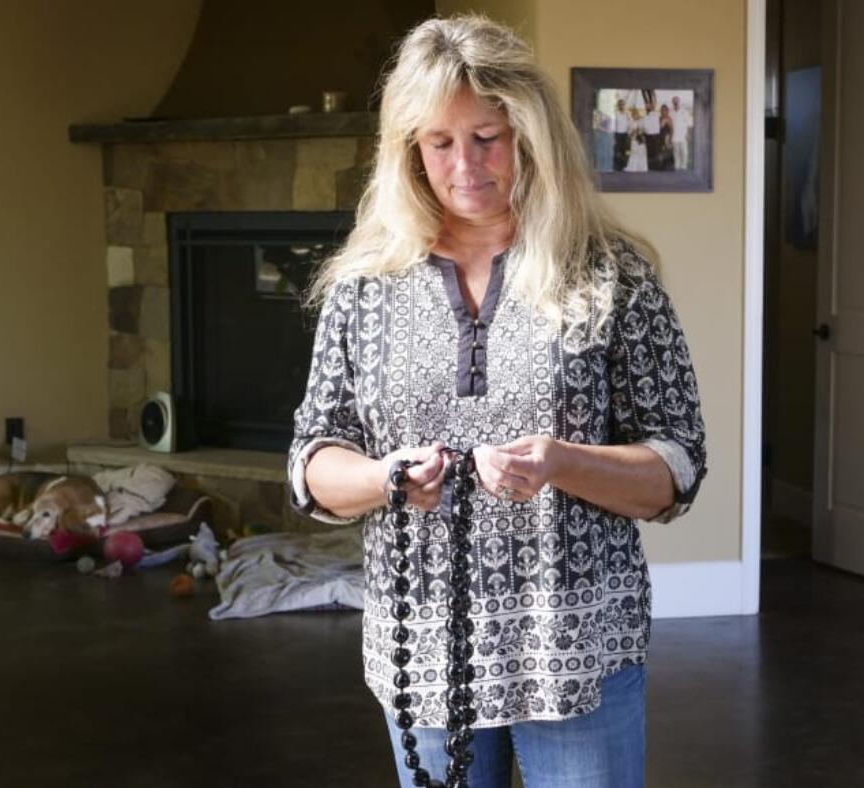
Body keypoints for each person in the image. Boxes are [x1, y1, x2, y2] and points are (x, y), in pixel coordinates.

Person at [287, 15, 707, 788]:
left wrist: (562, 462)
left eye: (488, 136)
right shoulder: (363, 287)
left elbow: (677, 467)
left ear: (530, 135)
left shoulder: (611, 275)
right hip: (423, 650)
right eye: (439, 141)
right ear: (408, 148)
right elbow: (313, 459)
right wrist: (386, 479)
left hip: (576, 648)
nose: (465, 165)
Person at [670, 94, 693, 170]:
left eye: (676, 101)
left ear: (679, 102)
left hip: (683, 135)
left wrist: (688, 134)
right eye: (674, 101)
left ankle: (683, 168)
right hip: (674, 136)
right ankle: (677, 167)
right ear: (672, 102)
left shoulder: (684, 111)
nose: (675, 102)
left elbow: (689, 123)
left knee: (684, 153)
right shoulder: (671, 111)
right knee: (676, 153)